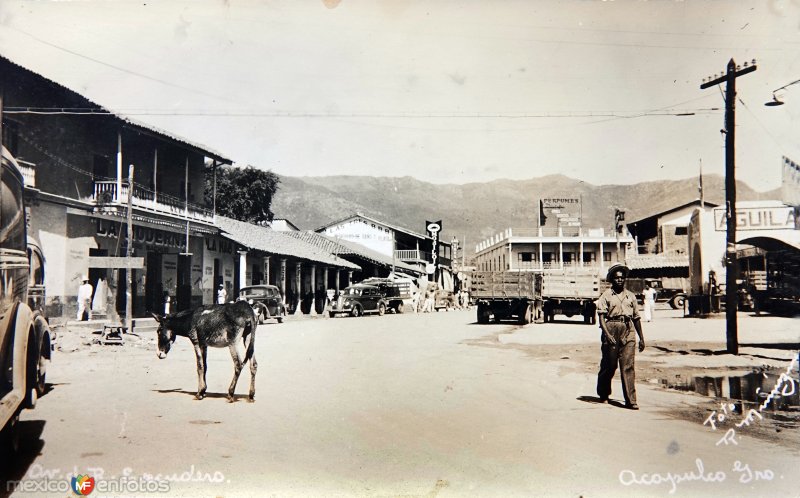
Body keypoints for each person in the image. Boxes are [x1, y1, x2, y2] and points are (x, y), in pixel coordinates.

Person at [596, 264, 645, 410]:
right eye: (617, 278)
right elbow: (601, 318)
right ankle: (603, 393)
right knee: (610, 365)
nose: (620, 280)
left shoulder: (631, 296)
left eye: (622, 278)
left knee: (628, 366)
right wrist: (607, 334)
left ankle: (631, 400)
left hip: (628, 330)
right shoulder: (606, 296)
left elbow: (636, 318)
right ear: (612, 280)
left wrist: (641, 338)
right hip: (611, 328)